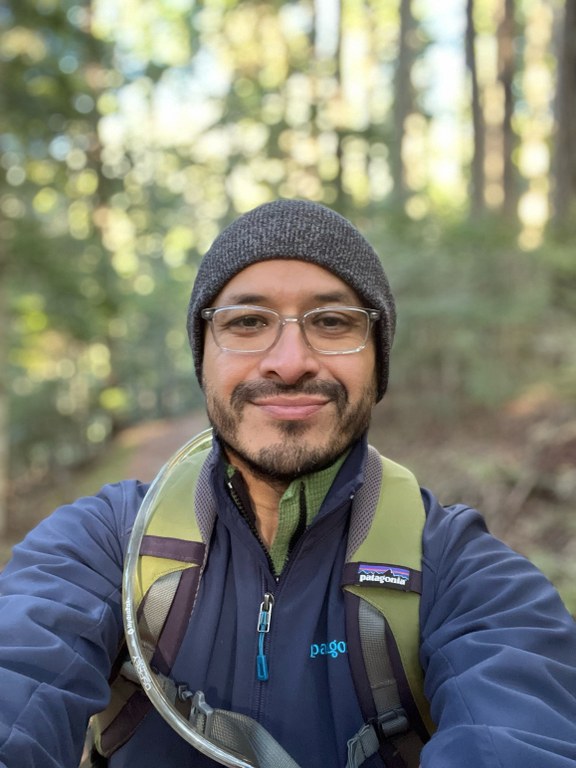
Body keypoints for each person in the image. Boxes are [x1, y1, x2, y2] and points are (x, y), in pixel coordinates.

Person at [0, 199, 575, 768]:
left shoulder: (464, 573)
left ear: (378, 363)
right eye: (247, 322)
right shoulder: (103, 545)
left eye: (332, 322)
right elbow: (20, 670)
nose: (290, 361)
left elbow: (521, 727)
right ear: (203, 359)